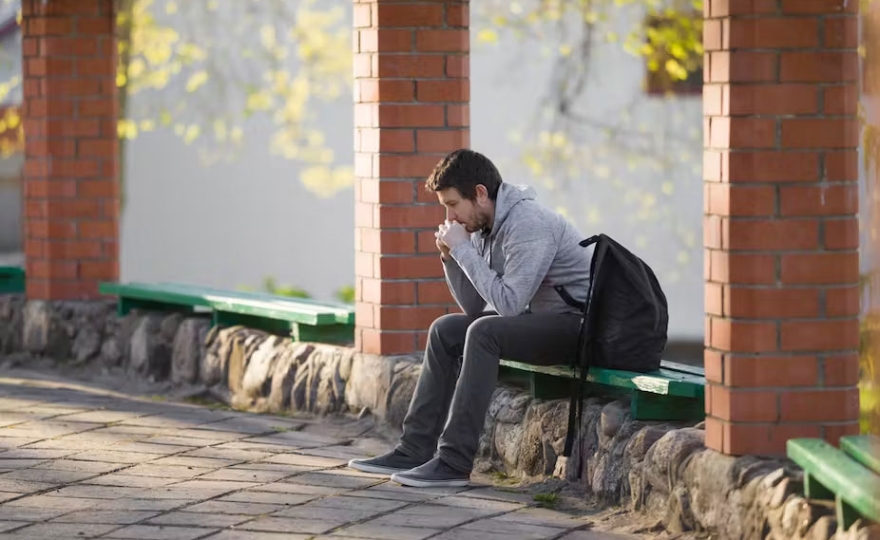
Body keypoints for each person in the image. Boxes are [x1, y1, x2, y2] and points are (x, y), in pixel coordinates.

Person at [348, 148, 593, 488]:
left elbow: (507, 305)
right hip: (540, 321)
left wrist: (463, 250)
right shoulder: (483, 226)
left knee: (484, 333)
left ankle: (453, 461)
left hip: (578, 327)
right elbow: (474, 306)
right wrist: (452, 258)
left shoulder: (529, 223)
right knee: (446, 329)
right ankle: (414, 449)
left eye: (452, 204)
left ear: (479, 194)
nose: (449, 216)